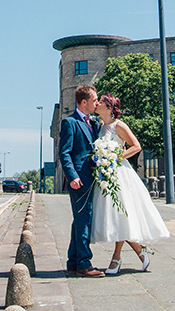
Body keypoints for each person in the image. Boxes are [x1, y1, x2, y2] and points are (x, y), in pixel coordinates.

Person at [90, 94, 170, 274]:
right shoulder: (101, 126)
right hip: (106, 174)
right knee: (117, 216)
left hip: (119, 173)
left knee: (120, 214)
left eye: (101, 102)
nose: (97, 104)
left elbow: (136, 146)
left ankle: (116, 259)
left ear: (109, 107)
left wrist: (116, 157)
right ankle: (140, 252)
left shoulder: (119, 125)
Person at [58, 84, 103, 277]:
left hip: (90, 178)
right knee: (84, 220)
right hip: (79, 180)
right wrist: (72, 176)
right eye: (94, 100)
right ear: (84, 102)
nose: (97, 103)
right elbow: (64, 152)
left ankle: (73, 261)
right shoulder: (70, 122)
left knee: (80, 220)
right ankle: (84, 264)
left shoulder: (92, 123)